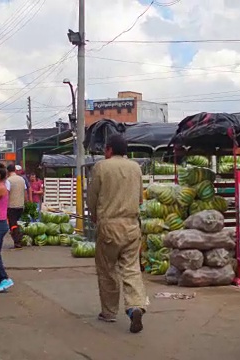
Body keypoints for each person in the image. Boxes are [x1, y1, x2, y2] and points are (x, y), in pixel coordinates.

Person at [87, 134, 147, 334]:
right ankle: (134, 307)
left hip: (109, 226)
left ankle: (109, 312)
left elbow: (93, 196)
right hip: (132, 225)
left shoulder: (101, 167)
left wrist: (93, 215)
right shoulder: (136, 167)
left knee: (107, 269)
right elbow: (140, 199)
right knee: (131, 268)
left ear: (109, 149)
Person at [6, 164, 26, 249]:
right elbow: (25, 191)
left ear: (7, 171)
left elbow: (6, 193)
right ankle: (18, 237)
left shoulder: (8, 180)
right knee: (15, 222)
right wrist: (25, 202)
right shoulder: (22, 179)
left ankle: (17, 240)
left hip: (11, 206)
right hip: (20, 205)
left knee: (12, 224)